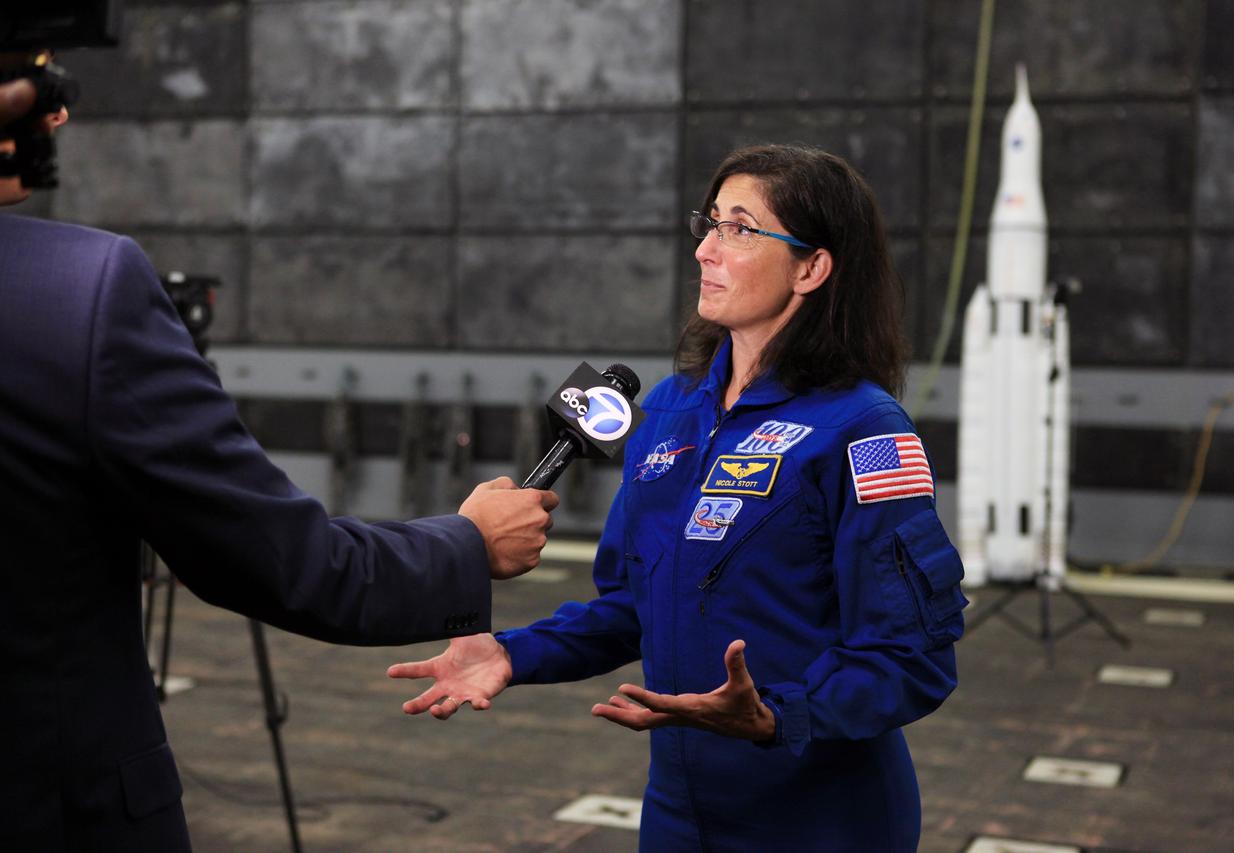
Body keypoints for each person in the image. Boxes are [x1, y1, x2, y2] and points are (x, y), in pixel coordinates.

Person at [0, 72, 558, 851]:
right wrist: (468, 543)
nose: (54, 109)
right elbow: (284, 560)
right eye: (33, 77)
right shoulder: (81, 287)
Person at [389, 143, 968, 851]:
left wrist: (775, 715)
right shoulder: (666, 411)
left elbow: (911, 656)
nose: (706, 250)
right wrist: (513, 653)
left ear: (812, 268)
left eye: (741, 229)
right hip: (680, 814)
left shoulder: (864, 430)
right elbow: (634, 605)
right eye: (711, 223)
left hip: (821, 819)